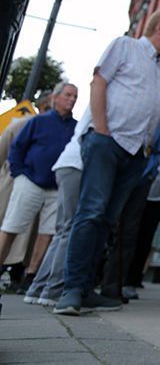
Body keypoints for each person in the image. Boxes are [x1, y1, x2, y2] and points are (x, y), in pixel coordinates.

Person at [55, 9, 160, 316]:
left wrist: (147, 149)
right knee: (91, 212)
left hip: (135, 154)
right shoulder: (126, 46)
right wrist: (101, 128)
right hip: (107, 142)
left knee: (108, 220)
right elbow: (99, 82)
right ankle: (71, 290)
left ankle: (87, 289)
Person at [0, 83, 77, 293]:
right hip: (30, 180)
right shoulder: (38, 121)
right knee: (12, 225)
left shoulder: (75, 128)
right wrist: (19, 173)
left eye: (75, 96)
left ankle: (31, 276)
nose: (72, 100)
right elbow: (17, 147)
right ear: (56, 97)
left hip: (57, 187)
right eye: (68, 95)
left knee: (48, 233)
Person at [23, 116, 85, 306]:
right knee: (68, 229)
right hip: (76, 165)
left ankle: (38, 288)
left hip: (67, 165)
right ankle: (51, 290)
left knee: (62, 231)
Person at [121, 102, 160, 300]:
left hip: (158, 196)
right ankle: (122, 278)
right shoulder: (151, 132)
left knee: (146, 239)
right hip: (140, 191)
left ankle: (134, 278)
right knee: (131, 234)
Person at [0, 92, 51, 283]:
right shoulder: (22, 124)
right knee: (10, 227)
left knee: (28, 234)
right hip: (13, 184)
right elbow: (3, 149)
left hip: (38, 187)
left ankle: (19, 273)